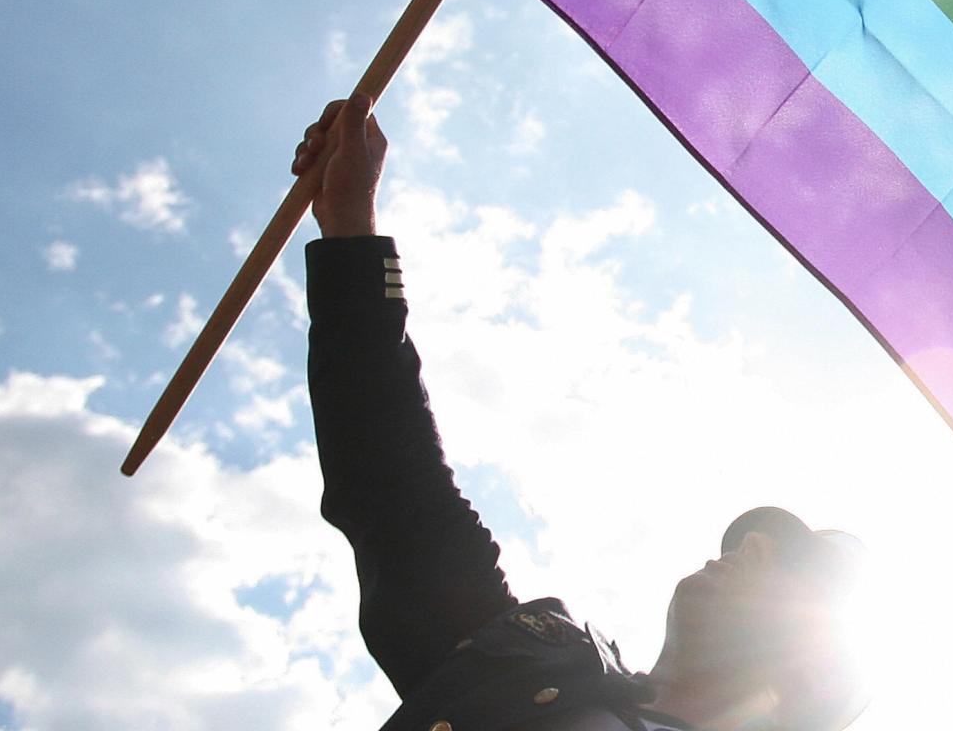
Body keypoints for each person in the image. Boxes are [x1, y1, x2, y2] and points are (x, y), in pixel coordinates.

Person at [294, 96, 870, 731]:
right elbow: (399, 492)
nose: (755, 542)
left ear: (820, 674)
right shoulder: (527, 663)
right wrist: (351, 229)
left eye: (797, 568)